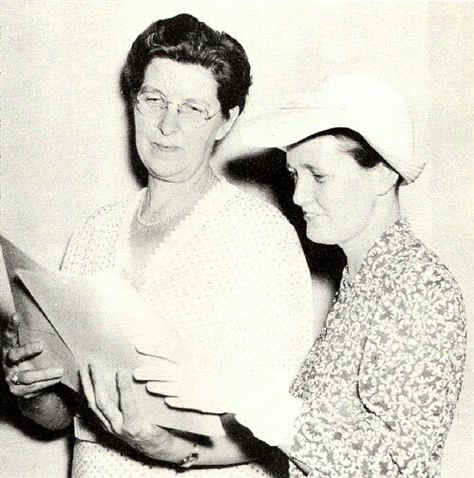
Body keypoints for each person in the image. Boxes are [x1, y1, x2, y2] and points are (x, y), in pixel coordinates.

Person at [1, 14, 315, 478]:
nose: (167, 125)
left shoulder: (260, 237)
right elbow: (62, 420)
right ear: (134, 103)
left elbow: (288, 427)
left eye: (193, 109)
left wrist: (168, 447)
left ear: (227, 121)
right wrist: (34, 390)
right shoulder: (94, 232)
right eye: (154, 100)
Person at [225, 73, 466, 477]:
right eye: (295, 176)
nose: (299, 196)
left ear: (383, 175)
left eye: (318, 176)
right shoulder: (363, 283)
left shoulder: (419, 288)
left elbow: (402, 469)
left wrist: (276, 416)